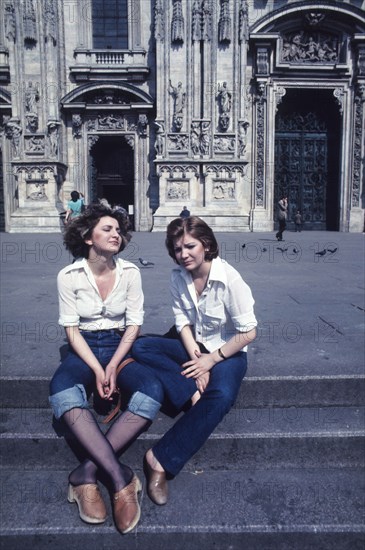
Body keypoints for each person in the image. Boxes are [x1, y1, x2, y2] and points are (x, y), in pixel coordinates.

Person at [49, 203, 197, 534]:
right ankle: (121, 478)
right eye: (107, 229)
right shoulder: (68, 276)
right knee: (62, 391)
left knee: (151, 388)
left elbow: (134, 326)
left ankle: (85, 474)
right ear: (88, 237)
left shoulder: (130, 272)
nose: (116, 234)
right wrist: (98, 370)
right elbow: (71, 330)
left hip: (120, 346)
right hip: (84, 348)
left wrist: (114, 365)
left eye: (118, 230)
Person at [132, 216, 257, 505]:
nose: (183, 254)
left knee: (222, 395)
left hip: (227, 351)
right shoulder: (178, 276)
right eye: (177, 249)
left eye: (190, 246)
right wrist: (195, 362)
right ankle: (189, 393)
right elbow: (182, 323)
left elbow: (249, 331)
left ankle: (159, 460)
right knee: (141, 347)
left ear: (207, 245)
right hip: (194, 345)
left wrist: (210, 362)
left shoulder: (230, 280)